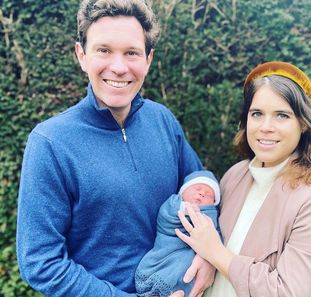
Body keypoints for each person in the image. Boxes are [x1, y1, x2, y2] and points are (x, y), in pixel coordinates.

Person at [16, 1, 215, 296]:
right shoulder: (50, 143)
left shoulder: (162, 120)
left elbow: (200, 185)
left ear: (148, 59)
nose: (119, 67)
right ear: (81, 55)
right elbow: (40, 262)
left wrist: (211, 252)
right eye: (104, 50)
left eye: (131, 52)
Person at [176, 61, 311, 297]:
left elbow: (286, 292)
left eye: (282, 115)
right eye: (257, 114)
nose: (266, 127)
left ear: (304, 123)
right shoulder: (235, 176)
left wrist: (216, 252)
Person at [135, 170, 221, 297]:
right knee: (171, 268)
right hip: (168, 250)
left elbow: (216, 236)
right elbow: (165, 217)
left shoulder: (211, 214)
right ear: (183, 191)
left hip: (191, 260)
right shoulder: (173, 203)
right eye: (197, 188)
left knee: (184, 268)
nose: (202, 193)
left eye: (209, 195)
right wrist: (183, 209)